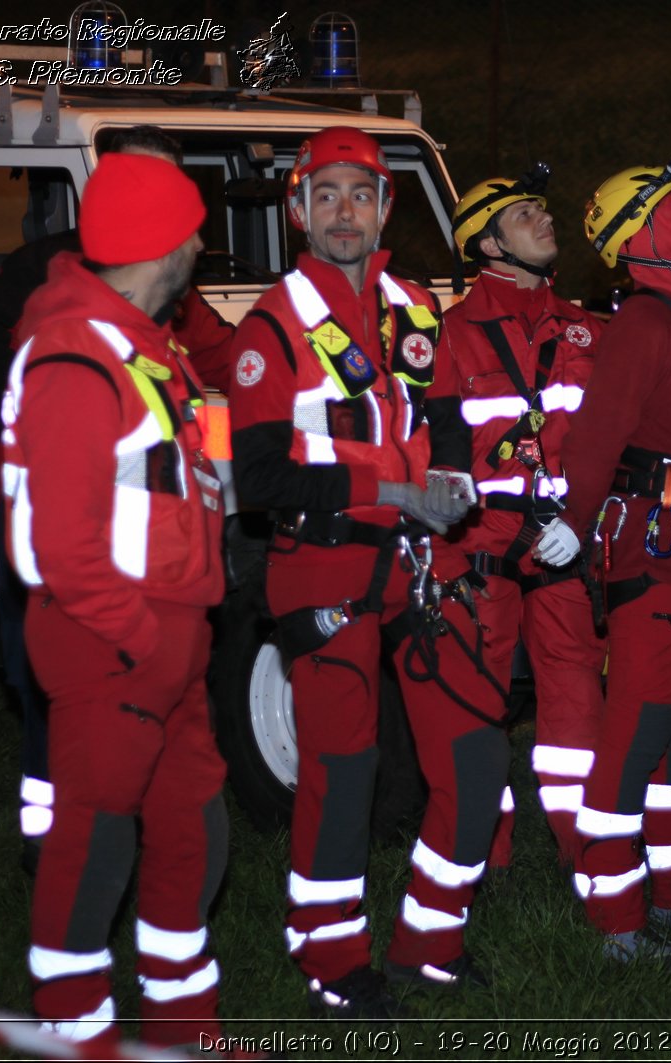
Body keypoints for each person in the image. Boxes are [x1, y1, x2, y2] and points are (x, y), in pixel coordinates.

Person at [227, 126, 474, 1016]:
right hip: (323, 568)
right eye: (324, 195)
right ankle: (330, 960)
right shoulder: (272, 323)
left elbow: (444, 416)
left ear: (385, 208)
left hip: (417, 563)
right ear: (297, 209)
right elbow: (255, 478)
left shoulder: (415, 306)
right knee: (343, 769)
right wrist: (388, 485)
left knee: (470, 748)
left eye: (359, 194)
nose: (343, 212)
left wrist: (451, 478)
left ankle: (431, 941)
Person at [0, 125, 238, 874]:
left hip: (145, 543)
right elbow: (0, 369)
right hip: (56, 518)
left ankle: (120, 841)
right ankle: (49, 833)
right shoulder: (47, 279)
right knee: (46, 687)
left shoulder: (170, 293)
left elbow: (222, 356)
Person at [2, 153, 232, 1047]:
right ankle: (74, 1035)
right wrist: (143, 636)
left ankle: (182, 1028)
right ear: (163, 244)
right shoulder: (74, 354)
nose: (205, 244)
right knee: (93, 850)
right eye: (196, 231)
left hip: (164, 639)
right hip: (112, 639)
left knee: (192, 840)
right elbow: (57, 544)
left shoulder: (141, 342)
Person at [561, 159, 671, 962]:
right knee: (635, 737)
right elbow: (596, 437)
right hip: (656, 549)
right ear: (651, 236)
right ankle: (615, 921)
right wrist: (569, 523)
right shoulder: (646, 323)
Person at [419, 166, 605, 896]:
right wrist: (443, 555)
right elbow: (436, 452)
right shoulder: (450, 336)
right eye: (527, 212)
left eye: (543, 208)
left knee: (576, 702)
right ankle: (479, 857)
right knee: (479, 704)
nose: (546, 219)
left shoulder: (589, 327)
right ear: (489, 242)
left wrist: (583, 522)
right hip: (480, 546)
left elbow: (607, 438)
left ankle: (587, 850)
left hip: (562, 541)